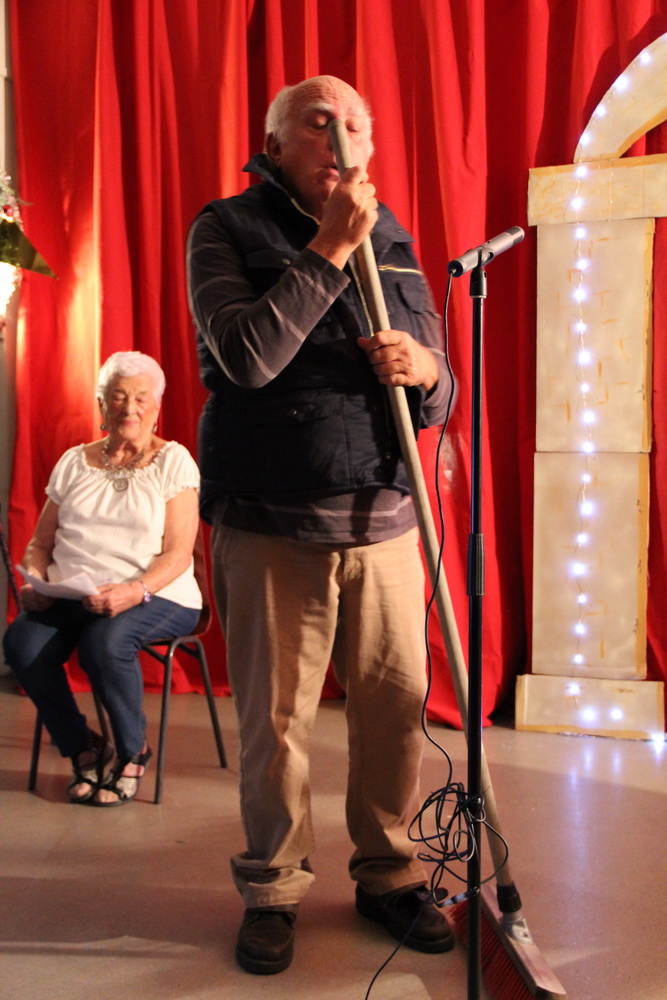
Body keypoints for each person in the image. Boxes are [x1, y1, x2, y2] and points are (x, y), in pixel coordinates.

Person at [187, 75, 453, 975]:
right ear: (274, 145)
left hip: (385, 520)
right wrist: (330, 247)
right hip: (272, 521)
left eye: (355, 126)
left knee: (394, 711)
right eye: (318, 122)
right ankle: (272, 887)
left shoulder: (395, 236)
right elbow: (245, 358)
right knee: (277, 724)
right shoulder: (225, 227)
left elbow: (441, 389)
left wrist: (426, 370)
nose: (340, 138)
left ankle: (388, 872)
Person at [3, 351, 202, 807]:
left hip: (158, 593)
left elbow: (178, 553)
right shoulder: (74, 461)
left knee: (105, 643)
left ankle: (133, 751)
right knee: (22, 645)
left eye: (140, 398)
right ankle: (84, 748)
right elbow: (40, 544)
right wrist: (36, 581)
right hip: (75, 593)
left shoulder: (174, 461)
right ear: (101, 405)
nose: (129, 407)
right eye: (117, 397)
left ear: (156, 406)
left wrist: (134, 591)